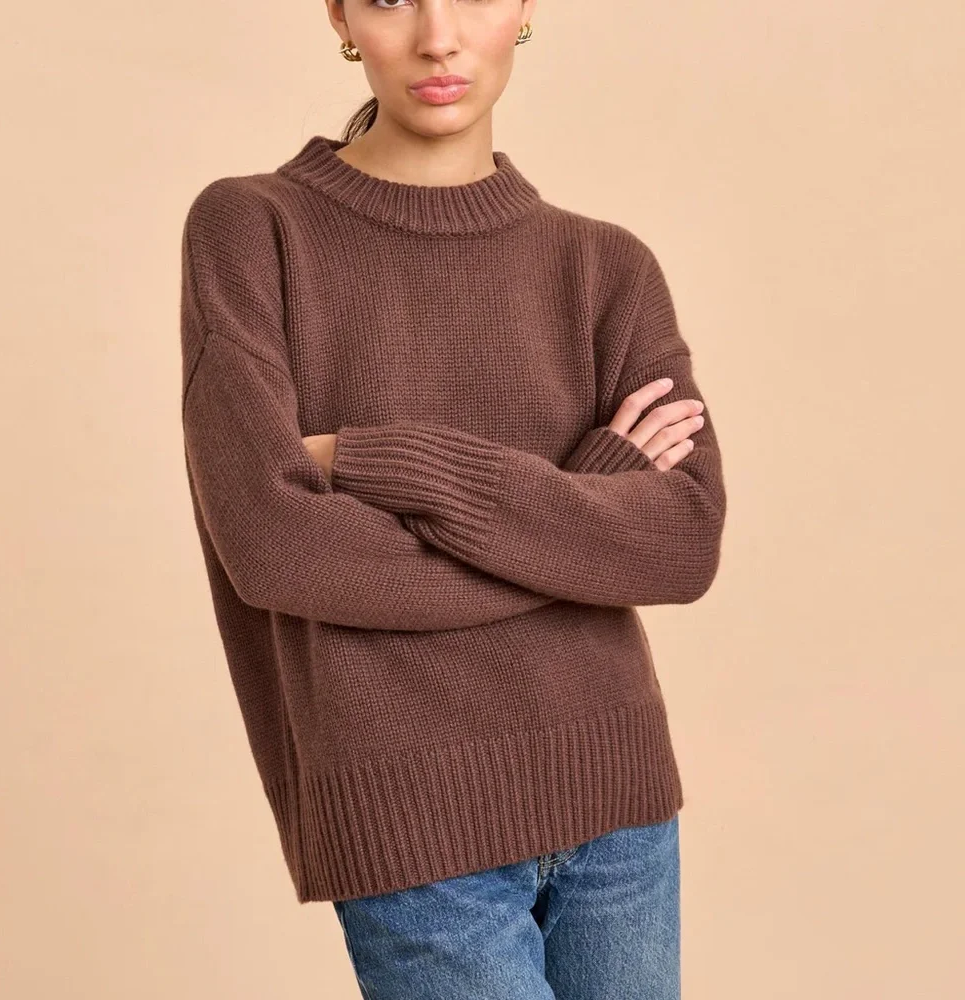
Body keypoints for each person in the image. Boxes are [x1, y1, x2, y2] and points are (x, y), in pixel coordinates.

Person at [179, 0, 727, 996]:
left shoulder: (607, 266)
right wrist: (585, 510)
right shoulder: (254, 228)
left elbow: (682, 544)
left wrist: (380, 459)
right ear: (342, 16)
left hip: (620, 800)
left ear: (524, 10)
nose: (438, 36)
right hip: (411, 822)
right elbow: (276, 548)